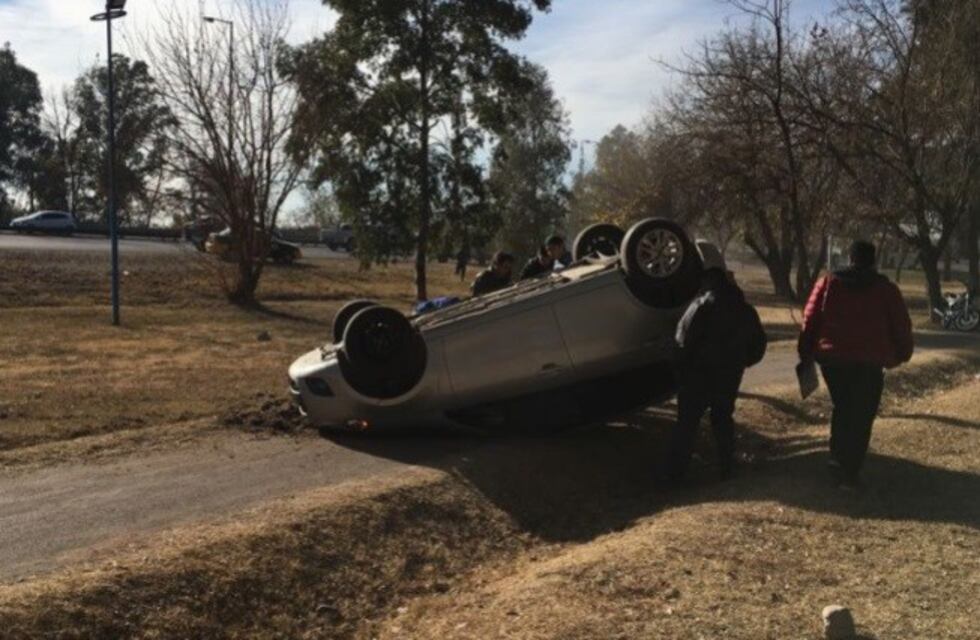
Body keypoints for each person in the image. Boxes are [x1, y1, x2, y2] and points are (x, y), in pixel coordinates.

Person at [798, 240, 913, 488]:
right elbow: (901, 325)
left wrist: (805, 350)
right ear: (873, 261)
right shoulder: (886, 289)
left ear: (849, 258)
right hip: (869, 362)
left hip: (833, 360)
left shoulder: (828, 283)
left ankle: (837, 456)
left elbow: (811, 317)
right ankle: (850, 469)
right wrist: (903, 353)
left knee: (843, 406)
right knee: (861, 415)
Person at [665, 243, 767, 483]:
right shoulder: (746, 310)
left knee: (687, 424)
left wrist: (680, 368)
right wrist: (741, 363)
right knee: (723, 421)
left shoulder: (701, 305)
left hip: (697, 375)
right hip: (729, 375)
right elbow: (759, 345)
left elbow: (682, 339)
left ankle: (675, 475)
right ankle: (726, 469)